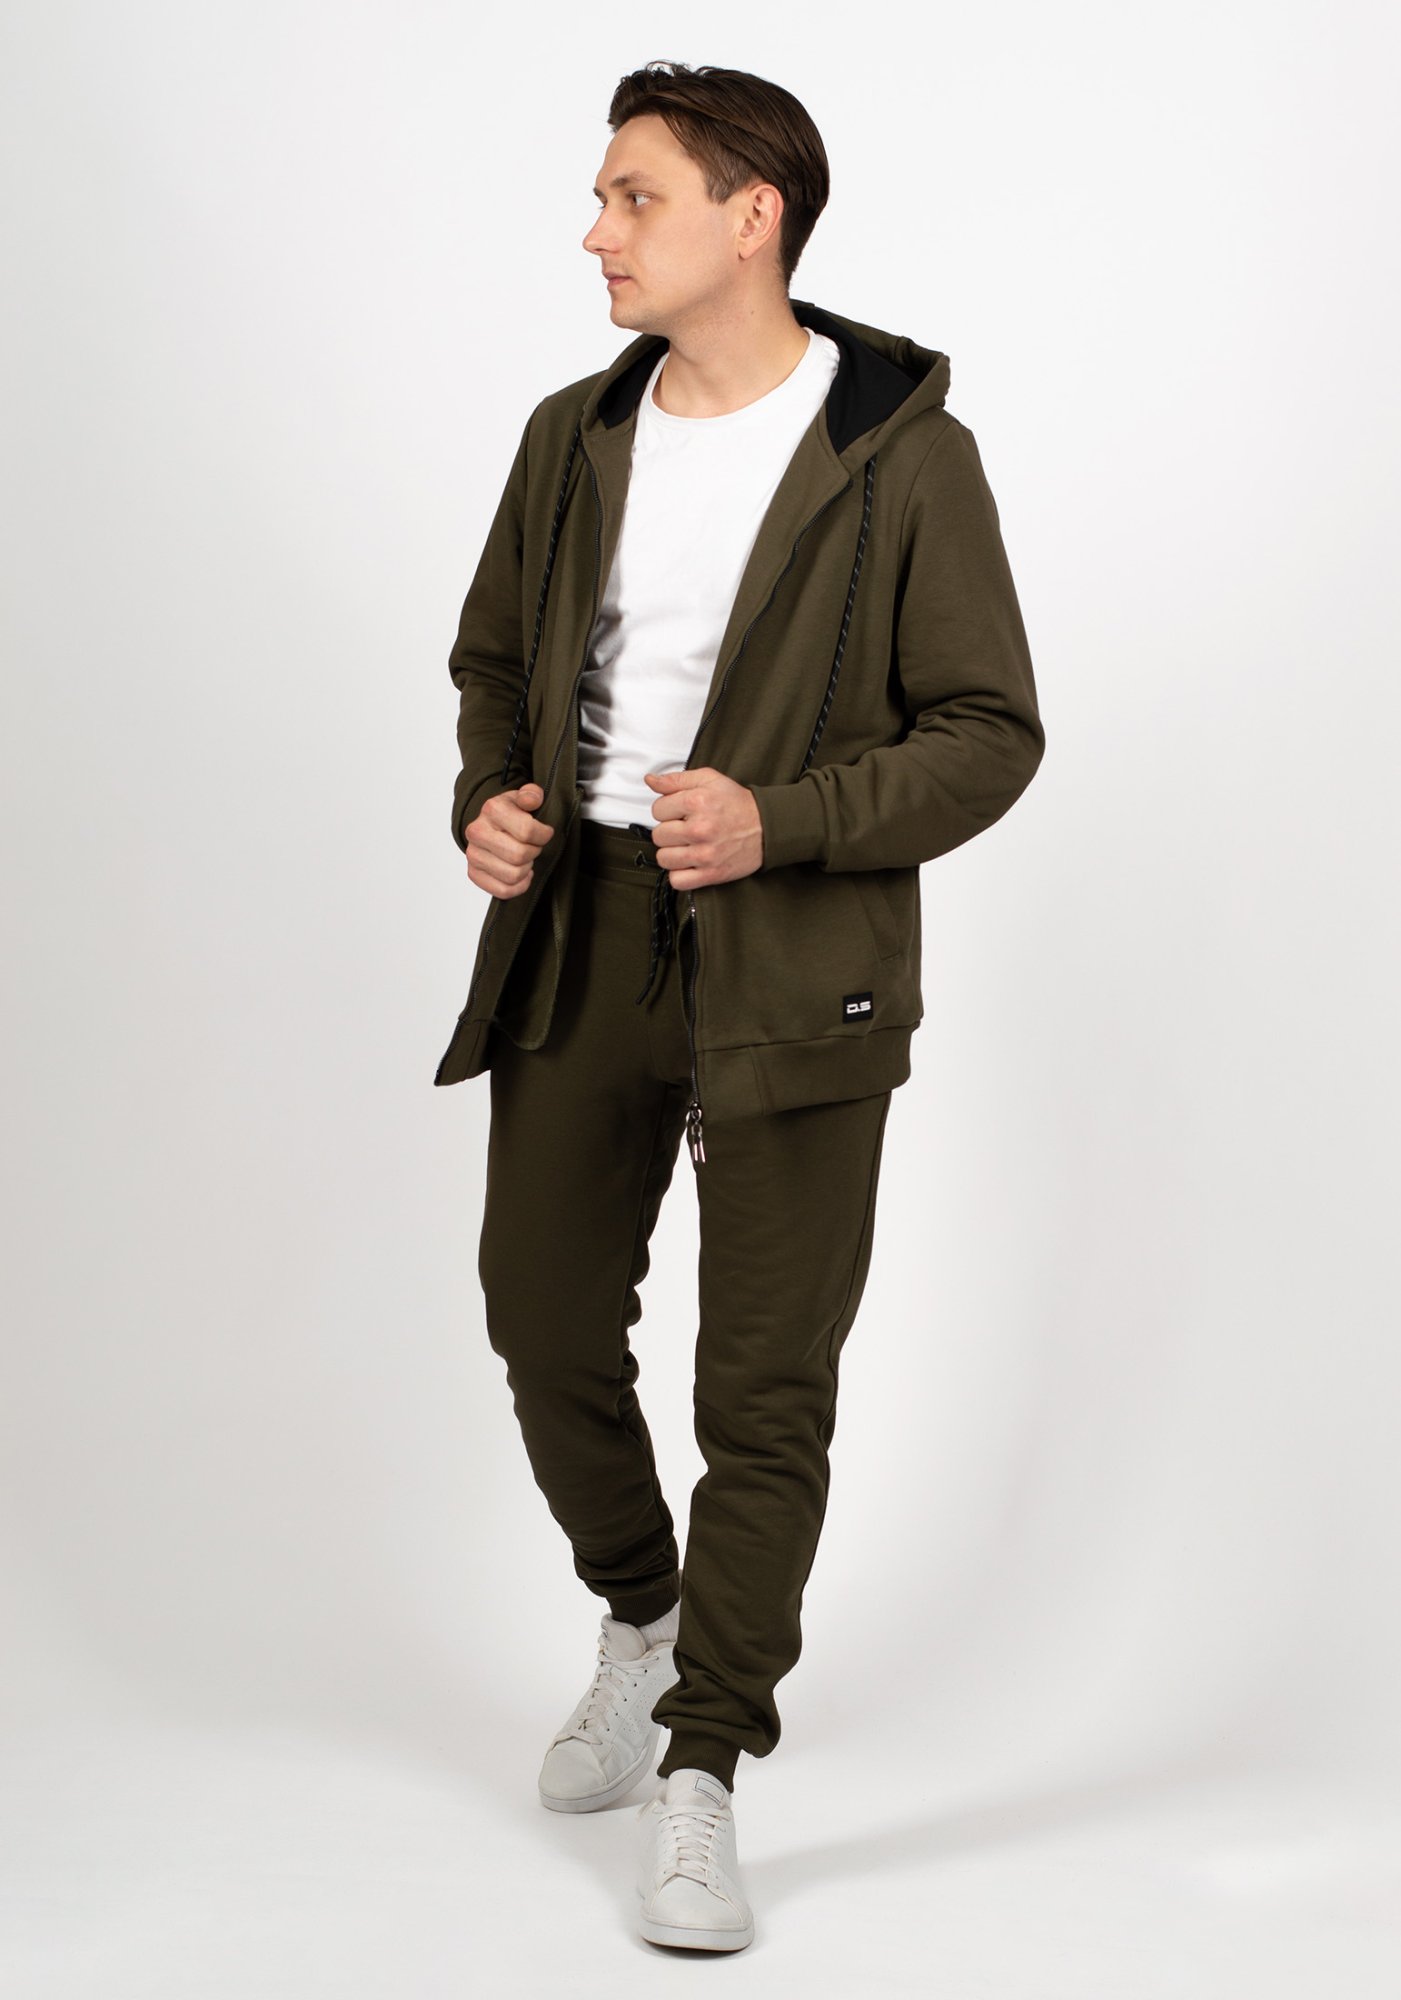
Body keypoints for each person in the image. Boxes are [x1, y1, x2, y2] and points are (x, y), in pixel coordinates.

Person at [434, 61, 1045, 1952]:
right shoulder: (572, 435)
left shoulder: (901, 456)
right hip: (582, 926)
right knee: (539, 1309)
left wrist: (785, 820)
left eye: (633, 196)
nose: (596, 232)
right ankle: (645, 1613)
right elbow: (491, 661)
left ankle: (703, 1766)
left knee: (763, 1381)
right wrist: (492, 796)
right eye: (603, 197)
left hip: (797, 959)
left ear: (749, 215)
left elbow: (989, 733)